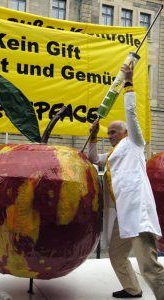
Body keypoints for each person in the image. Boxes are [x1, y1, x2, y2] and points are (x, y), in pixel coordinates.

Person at [88, 64, 164, 299]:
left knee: (148, 265)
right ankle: (133, 289)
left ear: (125, 133)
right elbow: (92, 158)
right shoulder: (112, 156)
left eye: (113, 132)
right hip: (123, 215)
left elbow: (131, 115)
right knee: (117, 255)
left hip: (138, 213)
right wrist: (92, 137)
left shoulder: (134, 144)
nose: (109, 136)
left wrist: (128, 83)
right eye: (108, 133)